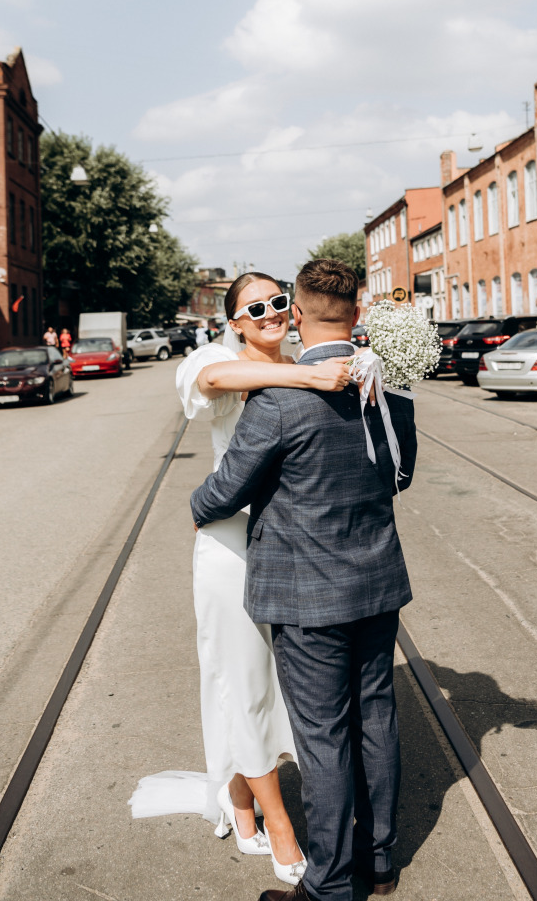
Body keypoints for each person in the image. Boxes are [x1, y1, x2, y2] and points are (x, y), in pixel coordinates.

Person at [191, 259, 417, 901]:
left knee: (323, 736)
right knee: (376, 718)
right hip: (377, 582)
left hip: (307, 593)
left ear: (299, 310)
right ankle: (378, 860)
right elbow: (401, 473)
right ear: (358, 309)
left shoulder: (280, 400)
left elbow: (228, 490)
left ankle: (329, 885)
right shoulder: (386, 380)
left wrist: (196, 507)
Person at [129, 272, 353, 888]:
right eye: (254, 308)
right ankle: (280, 823)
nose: (270, 314)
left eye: (280, 302)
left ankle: (241, 797)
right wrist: (306, 375)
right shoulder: (219, 357)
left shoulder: (307, 359)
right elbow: (212, 381)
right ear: (234, 320)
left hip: (292, 545)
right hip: (232, 548)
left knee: (274, 685)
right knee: (245, 680)